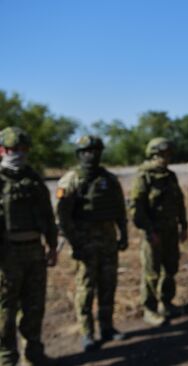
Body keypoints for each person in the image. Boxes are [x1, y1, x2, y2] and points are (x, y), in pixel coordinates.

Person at [56, 135, 128, 352]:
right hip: (84, 244)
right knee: (85, 290)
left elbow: (119, 210)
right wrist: (75, 244)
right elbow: (63, 218)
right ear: (79, 154)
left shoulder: (110, 179)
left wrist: (123, 235)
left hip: (108, 243)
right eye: (87, 151)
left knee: (108, 286)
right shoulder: (71, 180)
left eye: (95, 150)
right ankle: (87, 333)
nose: (91, 155)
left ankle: (107, 327)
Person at [0, 127, 58, 366]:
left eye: (23, 149)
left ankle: (33, 355)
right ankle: (6, 359)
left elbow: (47, 214)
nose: (19, 154)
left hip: (34, 251)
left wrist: (52, 245)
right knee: (5, 313)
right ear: (2, 150)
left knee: (34, 307)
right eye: (14, 149)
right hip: (5, 255)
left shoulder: (33, 179)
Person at [129, 137, 188, 326]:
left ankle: (166, 302)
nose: (166, 158)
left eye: (168, 155)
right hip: (153, 233)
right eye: (163, 155)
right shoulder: (143, 176)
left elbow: (179, 202)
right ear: (153, 154)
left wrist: (183, 225)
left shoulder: (170, 176)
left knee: (170, 268)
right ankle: (150, 309)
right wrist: (149, 231)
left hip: (171, 230)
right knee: (151, 272)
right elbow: (136, 209)